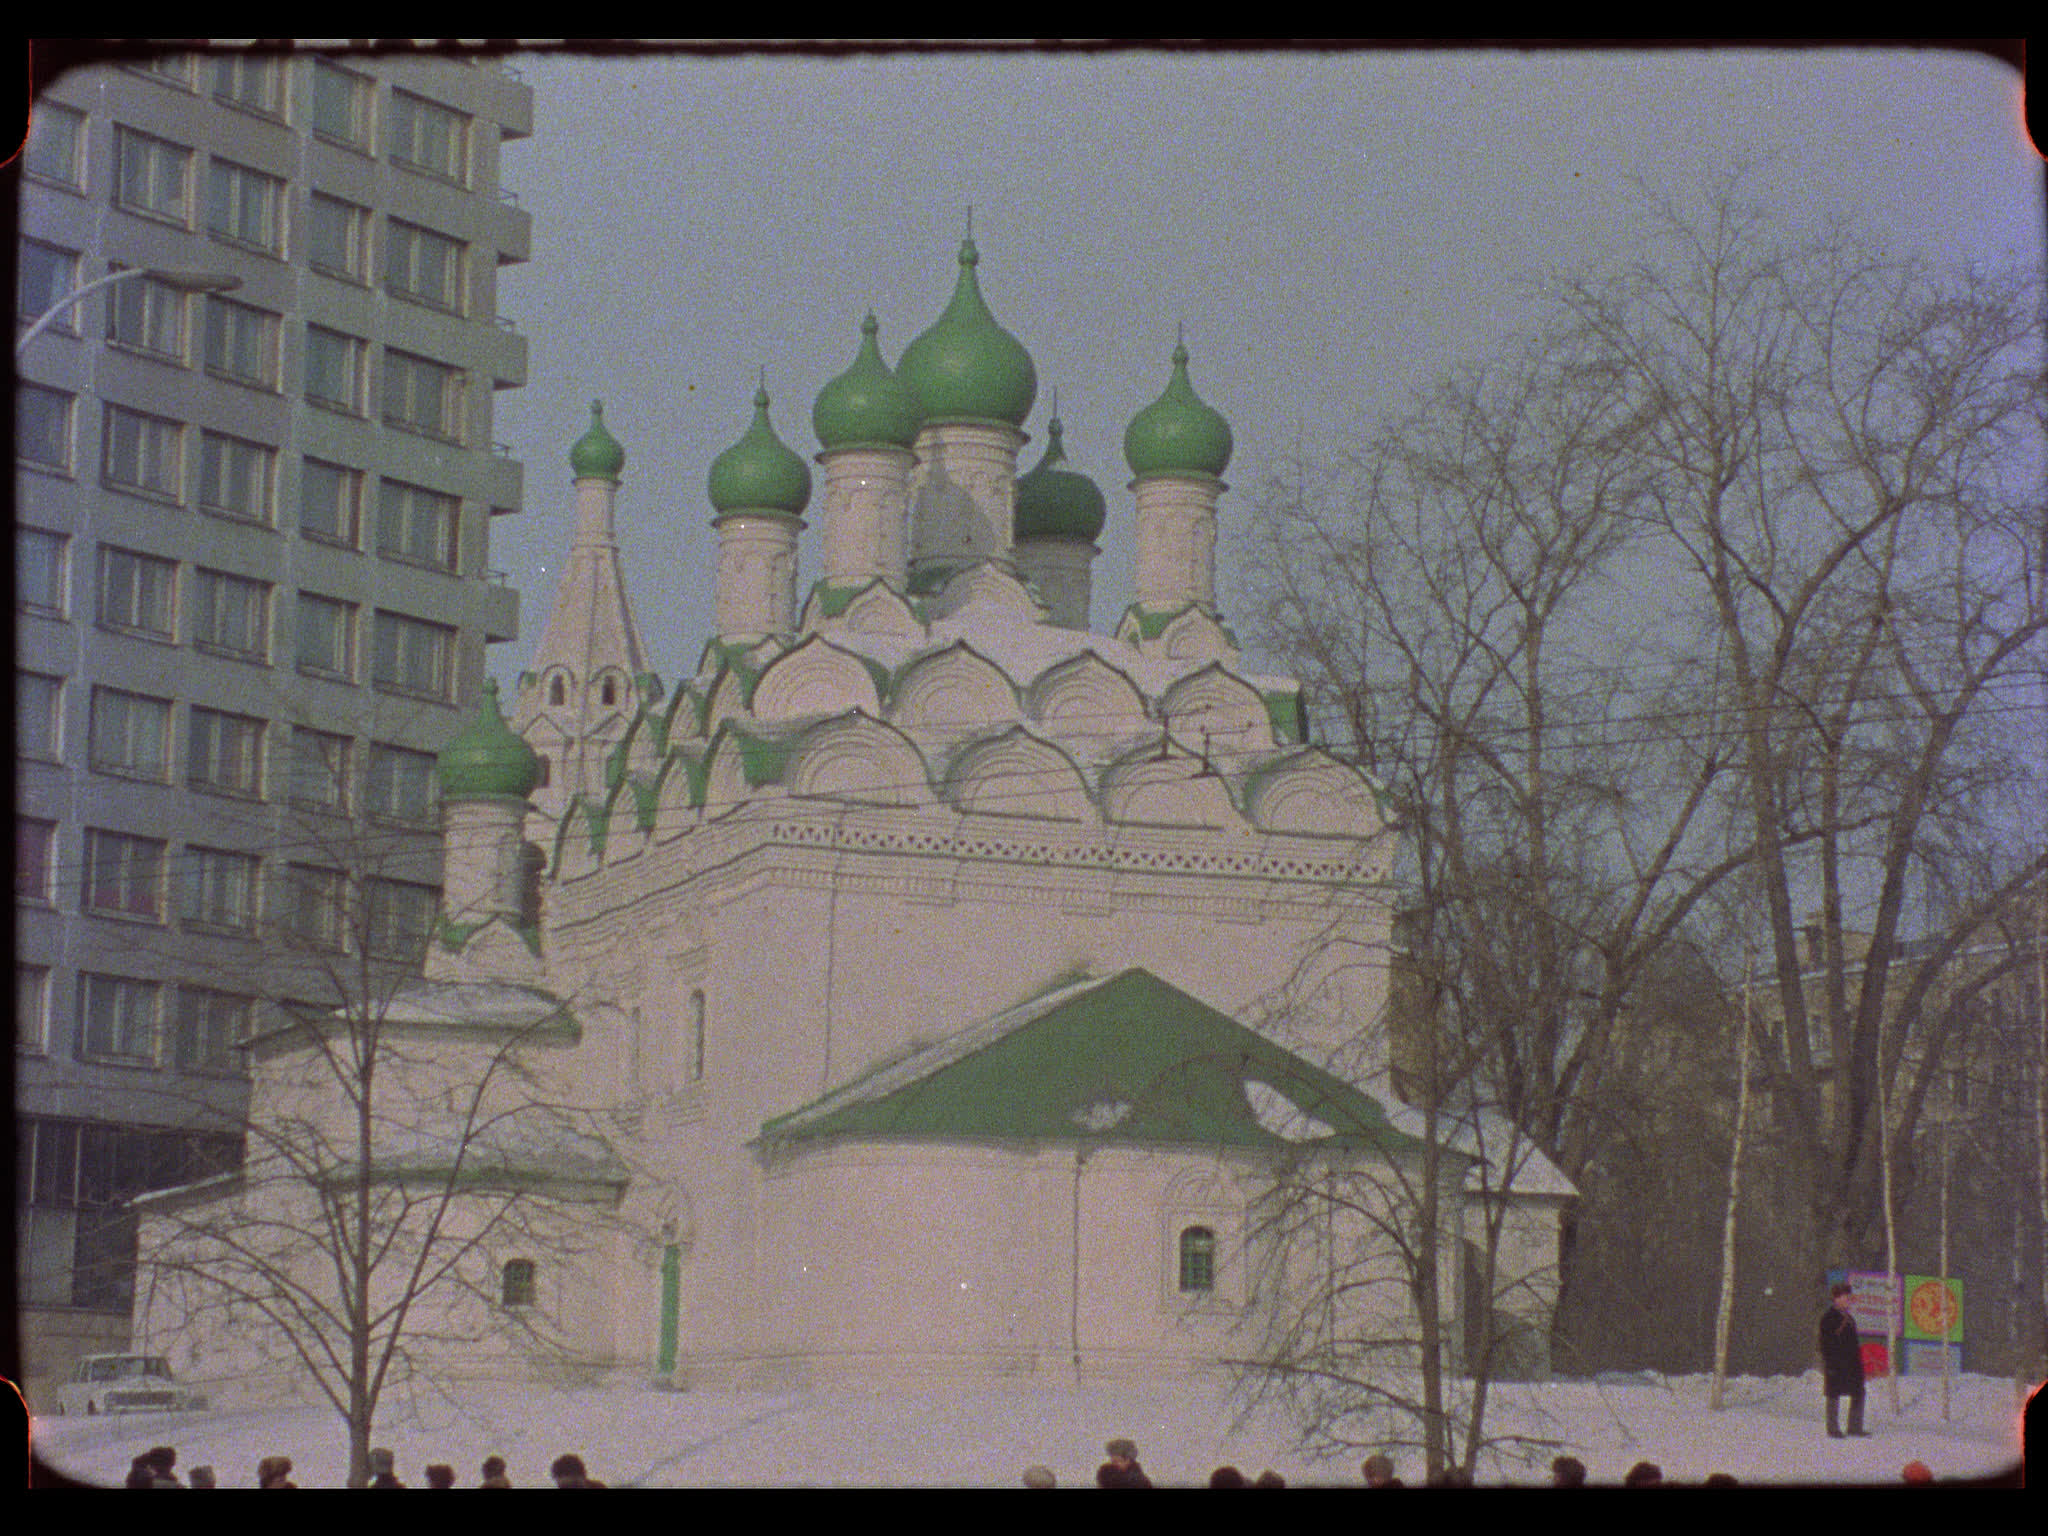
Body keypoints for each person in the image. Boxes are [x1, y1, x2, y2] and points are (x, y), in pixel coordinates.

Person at [1819, 1280, 1869, 1439]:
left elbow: (1854, 1344)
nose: (1848, 1299)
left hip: (1851, 1364)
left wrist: (1858, 1364)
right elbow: (1825, 1343)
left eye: (1848, 1296)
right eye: (1845, 1296)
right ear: (1836, 1299)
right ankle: (1832, 1428)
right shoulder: (1828, 1318)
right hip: (1836, 1363)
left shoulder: (1850, 1319)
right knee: (1833, 1394)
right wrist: (1830, 1363)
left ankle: (1855, 1426)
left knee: (1858, 1392)